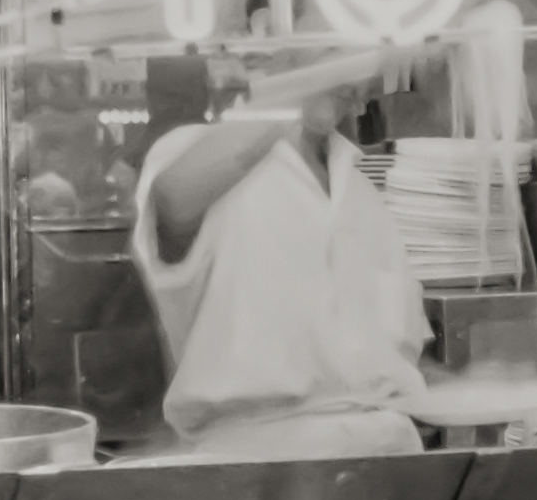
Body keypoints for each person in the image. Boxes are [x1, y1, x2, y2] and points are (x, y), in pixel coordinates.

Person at [130, 55, 431, 460]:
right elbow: (174, 197)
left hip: (389, 470)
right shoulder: (189, 153)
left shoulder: (362, 190)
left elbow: (392, 358)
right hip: (254, 473)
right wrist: (304, 84)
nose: (355, 62)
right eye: (335, 42)